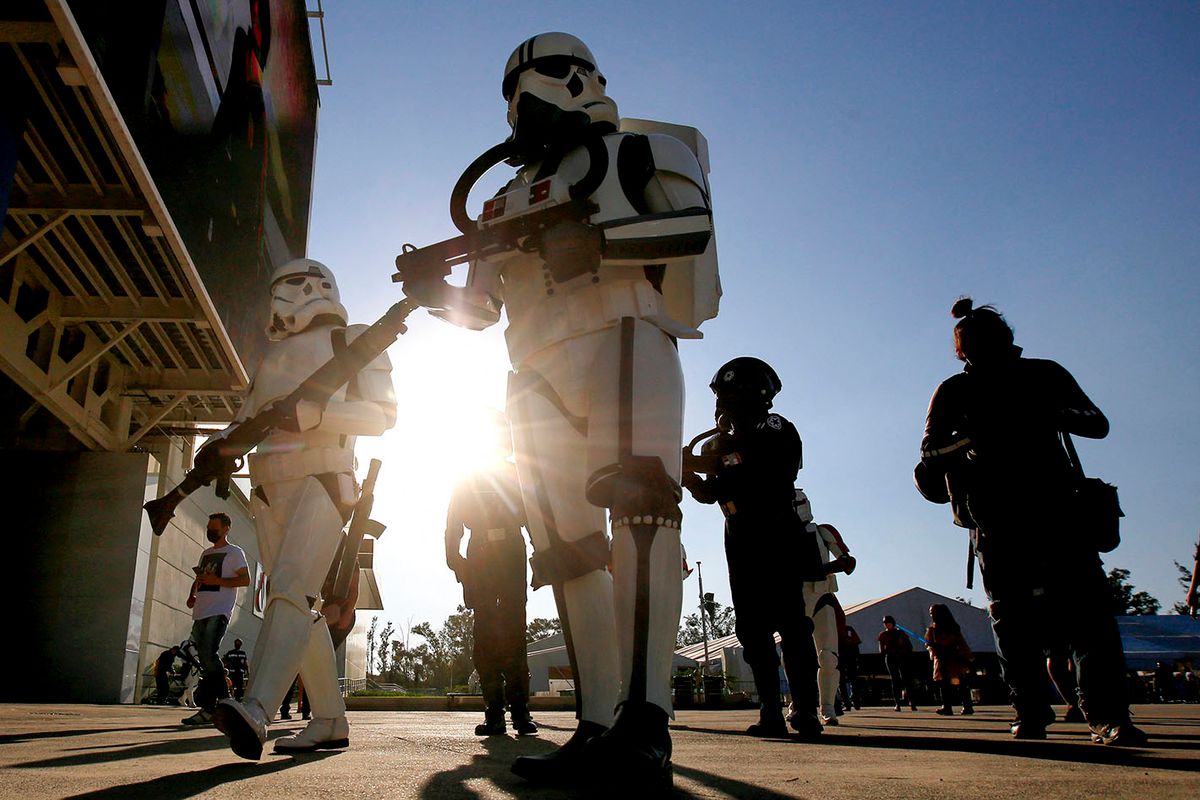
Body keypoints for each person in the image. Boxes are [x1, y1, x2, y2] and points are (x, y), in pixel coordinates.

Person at [398, 33, 717, 788]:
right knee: (568, 550)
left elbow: (691, 227)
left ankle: (647, 725)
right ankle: (599, 722)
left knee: (640, 510)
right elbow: (479, 309)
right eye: (512, 87)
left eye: (534, 79)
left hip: (626, 335)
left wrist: (598, 243)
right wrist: (429, 292)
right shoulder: (502, 196)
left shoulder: (644, 149)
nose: (522, 99)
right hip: (532, 367)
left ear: (581, 77)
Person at [919, 297, 1146, 745]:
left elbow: (1096, 423)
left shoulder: (1044, 374)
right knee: (1012, 619)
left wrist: (1045, 411)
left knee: (1088, 616)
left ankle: (1105, 713)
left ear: (1008, 340)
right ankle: (1031, 711)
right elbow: (928, 457)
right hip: (996, 517)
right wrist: (974, 435)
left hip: (1058, 510)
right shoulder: (955, 391)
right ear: (964, 350)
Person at [210, 258, 397, 760]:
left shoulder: (351, 340)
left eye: (308, 282)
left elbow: (384, 415)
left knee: (291, 589)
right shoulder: (272, 359)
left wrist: (319, 411)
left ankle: (257, 709)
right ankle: (330, 719)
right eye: (290, 284)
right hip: (269, 487)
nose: (301, 292)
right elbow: (245, 422)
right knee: (298, 605)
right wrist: (218, 449)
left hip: (325, 476)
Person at [682, 357, 826, 739]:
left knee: (792, 625)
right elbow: (712, 493)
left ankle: (806, 709)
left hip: (776, 531)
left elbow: (769, 473)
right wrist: (688, 475)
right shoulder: (716, 443)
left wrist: (716, 461)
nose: (725, 406)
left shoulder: (778, 429)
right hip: (739, 534)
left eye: (731, 396)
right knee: (751, 627)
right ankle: (770, 709)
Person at [445, 413, 537, 737]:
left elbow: (534, 517)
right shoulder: (466, 475)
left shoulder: (518, 472)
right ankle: (494, 712)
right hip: (481, 555)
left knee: (515, 631)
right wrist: (455, 561)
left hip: (511, 551)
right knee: (485, 635)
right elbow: (453, 521)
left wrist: (541, 554)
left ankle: (521, 712)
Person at [793, 489, 856, 725]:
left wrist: (831, 568)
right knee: (795, 655)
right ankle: (798, 702)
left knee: (828, 655)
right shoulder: (779, 535)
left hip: (823, 596)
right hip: (796, 599)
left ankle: (827, 705)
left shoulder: (822, 531)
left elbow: (847, 562)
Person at [182, 512, 249, 725]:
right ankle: (217, 705)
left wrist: (217, 580)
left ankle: (218, 703)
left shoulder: (235, 552)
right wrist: (192, 594)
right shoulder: (206, 553)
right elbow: (200, 578)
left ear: (226, 529)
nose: (210, 531)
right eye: (209, 527)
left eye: (215, 528)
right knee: (204, 658)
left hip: (219, 610)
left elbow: (245, 579)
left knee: (208, 654)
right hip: (201, 610)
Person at [925, 603, 974, 716]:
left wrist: (967, 655)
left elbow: (960, 642)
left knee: (959, 682)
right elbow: (929, 643)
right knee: (943, 683)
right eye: (931, 613)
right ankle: (947, 706)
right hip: (941, 658)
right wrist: (931, 647)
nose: (932, 615)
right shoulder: (932, 629)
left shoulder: (952, 627)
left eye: (934, 612)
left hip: (953, 657)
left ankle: (967, 705)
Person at [878, 616, 918, 711]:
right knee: (895, 680)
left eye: (889, 623)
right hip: (891, 657)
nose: (887, 625)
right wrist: (886, 650)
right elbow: (881, 649)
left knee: (906, 679)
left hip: (902, 657)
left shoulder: (900, 633)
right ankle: (897, 703)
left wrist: (905, 652)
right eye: (885, 623)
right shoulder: (883, 635)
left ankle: (912, 702)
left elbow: (908, 646)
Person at [839, 623, 862, 712]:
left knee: (853, 679)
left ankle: (855, 701)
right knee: (842, 681)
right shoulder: (835, 630)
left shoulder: (848, 629)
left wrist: (856, 657)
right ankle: (847, 703)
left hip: (849, 656)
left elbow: (856, 643)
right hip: (841, 656)